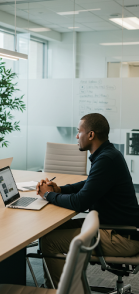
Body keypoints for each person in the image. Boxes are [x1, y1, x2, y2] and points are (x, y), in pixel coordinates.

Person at [36, 113, 139, 288]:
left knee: (49, 241)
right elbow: (88, 184)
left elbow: (79, 202)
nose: (77, 136)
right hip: (114, 226)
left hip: (121, 237)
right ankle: (73, 284)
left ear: (91, 135)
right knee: (51, 229)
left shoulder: (106, 159)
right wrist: (60, 189)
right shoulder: (107, 154)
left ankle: (60, 291)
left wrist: (47, 195)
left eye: (79, 131)